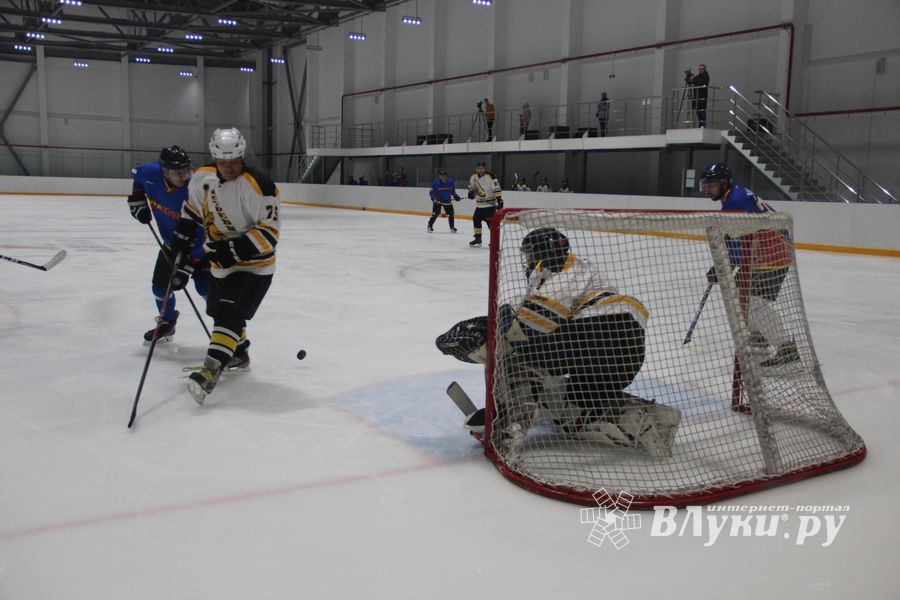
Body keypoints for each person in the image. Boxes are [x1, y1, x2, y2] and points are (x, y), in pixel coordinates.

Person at [435, 228, 681, 457]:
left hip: (600, 331)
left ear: (542, 253)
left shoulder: (562, 272)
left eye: (530, 254)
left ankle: (510, 424)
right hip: (628, 351)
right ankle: (648, 423)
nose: (528, 260)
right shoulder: (582, 272)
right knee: (578, 403)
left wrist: (485, 334)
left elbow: (528, 328)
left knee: (519, 358)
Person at [169, 128, 281, 404]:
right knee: (217, 310)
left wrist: (231, 251)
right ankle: (239, 353)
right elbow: (193, 210)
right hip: (221, 263)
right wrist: (181, 242)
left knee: (228, 313)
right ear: (214, 158)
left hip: (255, 266)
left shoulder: (260, 186)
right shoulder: (202, 178)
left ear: (242, 155)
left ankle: (210, 372)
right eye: (223, 161)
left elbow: (269, 233)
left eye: (234, 160)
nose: (229, 167)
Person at [699, 162, 798, 367]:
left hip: (770, 253)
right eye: (705, 185)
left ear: (724, 183)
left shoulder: (736, 201)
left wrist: (722, 267)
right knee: (739, 296)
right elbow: (737, 240)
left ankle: (785, 346)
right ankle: (760, 334)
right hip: (766, 251)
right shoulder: (733, 197)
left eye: (712, 185)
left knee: (750, 300)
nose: (707, 190)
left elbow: (740, 244)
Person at [128, 145, 208, 344]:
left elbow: (212, 233)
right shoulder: (149, 173)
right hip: (172, 244)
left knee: (207, 291)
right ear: (164, 171)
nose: (183, 176)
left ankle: (230, 340)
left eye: (186, 170)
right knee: (160, 288)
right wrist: (138, 199)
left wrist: (189, 264)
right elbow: (137, 176)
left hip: (202, 248)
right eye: (177, 172)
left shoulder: (198, 190)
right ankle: (167, 323)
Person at [466, 160, 502, 247]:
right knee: (476, 219)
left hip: (489, 205)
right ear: (476, 169)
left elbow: (497, 188)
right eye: (479, 168)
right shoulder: (473, 177)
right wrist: (470, 192)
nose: (481, 170)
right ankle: (478, 238)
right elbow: (471, 187)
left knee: (490, 223)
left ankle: (494, 240)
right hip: (479, 205)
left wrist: (499, 199)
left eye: (482, 168)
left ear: (485, 168)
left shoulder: (491, 176)